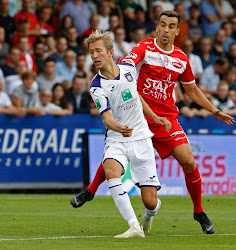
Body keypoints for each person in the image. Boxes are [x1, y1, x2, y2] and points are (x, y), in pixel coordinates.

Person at [71, 11, 235, 235]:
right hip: (138, 116)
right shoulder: (143, 48)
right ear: (156, 27)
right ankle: (90, 191)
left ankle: (198, 211)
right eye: (162, 25)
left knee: (188, 162)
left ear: (178, 31)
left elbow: (192, 90)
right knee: (116, 150)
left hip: (166, 119)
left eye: (171, 26)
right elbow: (124, 67)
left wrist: (214, 110)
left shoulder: (181, 58)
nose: (166, 30)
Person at [82, 30, 172, 238]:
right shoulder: (96, 87)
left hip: (141, 138)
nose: (94, 56)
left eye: (98, 51)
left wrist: (155, 117)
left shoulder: (129, 68)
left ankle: (147, 217)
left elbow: (136, 94)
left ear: (110, 52)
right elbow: (107, 119)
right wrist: (119, 128)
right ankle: (133, 226)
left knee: (150, 202)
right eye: (91, 52)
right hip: (117, 139)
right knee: (111, 170)